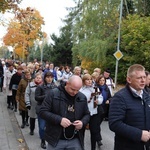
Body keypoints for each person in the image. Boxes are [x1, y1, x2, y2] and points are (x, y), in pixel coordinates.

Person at [39, 75, 90, 150]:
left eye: (77, 90)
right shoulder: (53, 93)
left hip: (75, 139)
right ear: (67, 83)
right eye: (72, 89)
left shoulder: (82, 97)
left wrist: (82, 122)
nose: (75, 92)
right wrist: (59, 120)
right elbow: (43, 111)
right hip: (56, 139)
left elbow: (87, 114)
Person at [109, 64, 150, 150]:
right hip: (127, 146)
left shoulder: (147, 95)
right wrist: (139, 134)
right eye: (139, 78)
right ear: (129, 79)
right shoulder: (120, 97)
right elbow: (114, 124)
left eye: (144, 77)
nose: (143, 80)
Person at [80, 74, 103, 150]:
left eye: (90, 79)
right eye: (87, 79)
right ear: (83, 81)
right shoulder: (81, 90)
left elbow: (100, 97)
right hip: (83, 113)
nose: (89, 81)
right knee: (81, 131)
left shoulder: (95, 88)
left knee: (94, 131)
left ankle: (93, 148)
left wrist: (98, 101)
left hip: (94, 112)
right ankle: (81, 147)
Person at [35, 72, 57, 149]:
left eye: (51, 77)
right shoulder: (40, 87)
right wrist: (46, 96)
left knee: (51, 127)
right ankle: (43, 140)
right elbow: (37, 98)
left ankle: (50, 140)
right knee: (42, 127)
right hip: (42, 109)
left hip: (52, 109)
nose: (49, 79)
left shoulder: (55, 87)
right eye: (47, 77)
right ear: (45, 78)